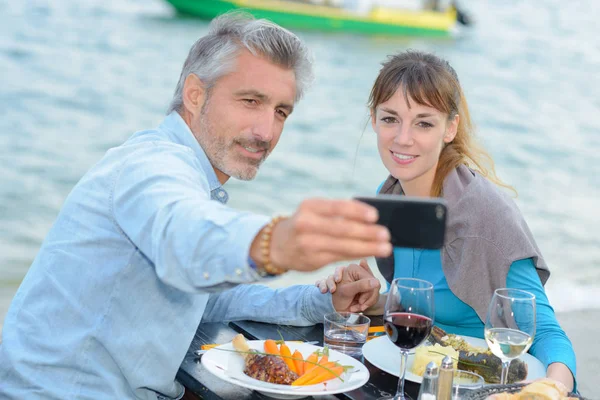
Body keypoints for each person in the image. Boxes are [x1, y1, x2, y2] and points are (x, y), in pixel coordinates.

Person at [0, 13, 390, 400]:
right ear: (194, 94)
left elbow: (206, 297)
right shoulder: (152, 166)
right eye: (250, 101)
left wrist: (318, 302)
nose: (266, 132)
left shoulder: (192, 179)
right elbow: (184, 238)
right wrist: (273, 241)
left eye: (280, 112)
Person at [316, 50, 576, 391]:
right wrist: (375, 300)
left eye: (424, 122)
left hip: (486, 387)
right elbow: (428, 309)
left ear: (450, 128)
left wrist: (552, 390)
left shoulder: (486, 215)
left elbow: (544, 332)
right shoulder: (391, 196)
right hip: (421, 379)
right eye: (390, 119)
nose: (403, 138)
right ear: (373, 118)